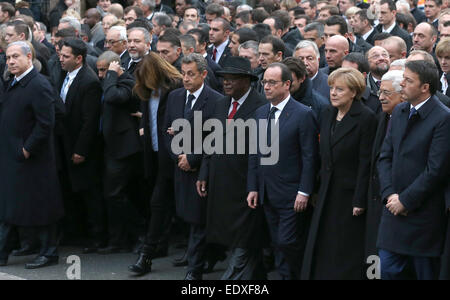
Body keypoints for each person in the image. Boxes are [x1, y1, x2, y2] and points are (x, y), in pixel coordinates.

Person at [377, 60, 450, 280]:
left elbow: (436, 170)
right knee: (387, 269)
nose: (402, 85)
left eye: (408, 81)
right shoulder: (399, 110)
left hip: (422, 214)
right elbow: (385, 156)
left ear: (425, 87)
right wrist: (390, 194)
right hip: (393, 210)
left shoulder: (443, 118)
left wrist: (406, 201)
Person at [302, 68, 377, 280]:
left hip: (349, 194)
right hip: (326, 190)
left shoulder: (365, 118)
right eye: (332, 88)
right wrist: (315, 188)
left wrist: (359, 200)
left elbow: (365, 163)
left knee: (343, 246)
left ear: (353, 92)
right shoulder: (327, 113)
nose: (333, 93)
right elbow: (320, 155)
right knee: (323, 242)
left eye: (340, 89)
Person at [197, 56, 268, 280]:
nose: (226, 83)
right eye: (224, 79)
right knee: (229, 233)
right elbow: (210, 142)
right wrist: (204, 173)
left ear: (247, 81)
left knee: (246, 235)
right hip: (221, 182)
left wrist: (254, 185)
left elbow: (263, 153)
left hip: (246, 184)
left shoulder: (261, 106)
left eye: (232, 79)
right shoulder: (220, 104)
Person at [247, 62, 319, 280]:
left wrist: (305, 191)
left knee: (287, 242)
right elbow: (254, 154)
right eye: (264, 82)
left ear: (287, 84)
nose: (266, 87)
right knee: (276, 243)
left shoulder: (303, 114)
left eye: (272, 82)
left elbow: (310, 157)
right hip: (267, 192)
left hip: (292, 193)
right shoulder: (260, 113)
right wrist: (253, 187)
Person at [0, 41, 64, 269]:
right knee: (10, 205)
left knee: (41, 205)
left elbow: (46, 123)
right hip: (13, 156)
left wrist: (27, 148)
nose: (10, 61)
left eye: (15, 56)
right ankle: (5, 251)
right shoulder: (13, 82)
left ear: (29, 57)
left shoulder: (39, 84)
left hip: (33, 158)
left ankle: (49, 252)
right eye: (8, 57)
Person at [163, 53, 222, 280]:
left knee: (198, 220)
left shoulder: (216, 100)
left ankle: (194, 270)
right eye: (183, 74)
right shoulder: (175, 97)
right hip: (180, 167)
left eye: (191, 74)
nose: (186, 79)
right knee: (188, 217)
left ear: (204, 74)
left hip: (202, 170)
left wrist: (193, 157)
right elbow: (167, 130)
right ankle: (208, 256)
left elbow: (216, 138)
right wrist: (179, 155)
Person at [128, 52, 183, 275]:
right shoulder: (148, 92)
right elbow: (148, 115)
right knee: (159, 203)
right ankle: (153, 249)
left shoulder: (175, 89)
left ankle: (148, 254)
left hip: (175, 156)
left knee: (164, 203)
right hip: (155, 154)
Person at [57, 38, 105, 252]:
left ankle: (97, 236)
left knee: (89, 193)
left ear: (79, 58)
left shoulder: (89, 81)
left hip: (82, 149)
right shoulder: (64, 75)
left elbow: (90, 121)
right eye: (60, 54)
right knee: (72, 191)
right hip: (65, 144)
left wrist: (80, 150)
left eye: (65, 56)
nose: (61, 59)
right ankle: (76, 233)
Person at [95, 51, 142, 254]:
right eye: (99, 70)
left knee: (114, 194)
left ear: (116, 66)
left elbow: (114, 97)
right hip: (109, 146)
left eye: (104, 70)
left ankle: (141, 232)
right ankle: (118, 239)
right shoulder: (108, 81)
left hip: (124, 148)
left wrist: (113, 74)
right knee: (111, 195)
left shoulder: (127, 82)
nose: (100, 75)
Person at [365, 70, 404, 262]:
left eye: (387, 93)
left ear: (403, 93)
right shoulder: (381, 117)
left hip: (400, 202)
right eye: (380, 92)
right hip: (378, 198)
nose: (380, 98)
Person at [283, 57, 329, 121]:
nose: (286, 85)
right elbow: (270, 129)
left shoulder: (320, 106)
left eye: (290, 81)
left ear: (302, 78)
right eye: (283, 80)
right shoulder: (272, 99)